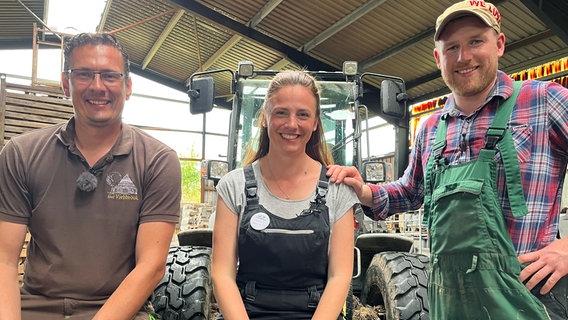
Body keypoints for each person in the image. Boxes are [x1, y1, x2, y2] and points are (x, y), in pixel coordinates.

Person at [327, 1, 568, 319]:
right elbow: (410, 191)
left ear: (499, 44)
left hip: (525, 299)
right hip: (449, 303)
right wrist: (364, 191)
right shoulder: (430, 129)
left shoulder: (544, 101)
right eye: (451, 47)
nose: (463, 56)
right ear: (439, 58)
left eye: (475, 42)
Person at [0, 33, 181, 319]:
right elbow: (4, 260)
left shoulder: (157, 161)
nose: (97, 87)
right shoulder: (21, 154)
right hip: (36, 307)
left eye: (110, 76)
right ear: (65, 84)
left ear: (128, 86)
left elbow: (152, 266)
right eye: (84, 74)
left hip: (119, 309)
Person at [212, 70, 358, 319]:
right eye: (281, 112)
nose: (292, 124)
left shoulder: (337, 189)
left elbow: (339, 276)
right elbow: (222, 274)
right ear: (265, 118)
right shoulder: (233, 186)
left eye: (303, 114)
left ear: (314, 122)